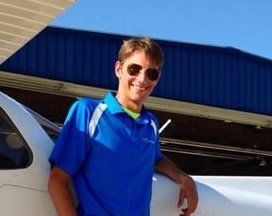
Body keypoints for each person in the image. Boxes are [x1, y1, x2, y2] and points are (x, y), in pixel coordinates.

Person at [48, 37, 198, 216]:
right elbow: (57, 180)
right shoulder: (88, 112)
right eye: (134, 69)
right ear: (118, 69)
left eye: (152, 73)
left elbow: (155, 159)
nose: (142, 79)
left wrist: (183, 177)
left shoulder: (150, 124)